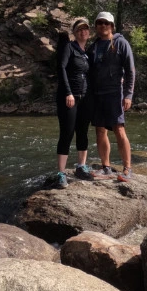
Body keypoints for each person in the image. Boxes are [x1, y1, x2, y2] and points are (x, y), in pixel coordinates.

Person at [87, 11, 135, 182]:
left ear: (112, 26)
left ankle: (127, 168)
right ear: (96, 26)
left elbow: (130, 71)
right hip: (97, 95)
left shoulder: (122, 43)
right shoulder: (93, 47)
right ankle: (106, 167)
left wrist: (128, 95)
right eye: (99, 23)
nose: (103, 26)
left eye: (106, 23)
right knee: (100, 131)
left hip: (115, 93)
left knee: (119, 129)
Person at [53, 18, 94, 188]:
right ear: (75, 32)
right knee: (67, 133)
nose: (83, 32)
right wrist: (68, 92)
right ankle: (61, 173)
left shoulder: (88, 52)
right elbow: (61, 69)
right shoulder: (68, 47)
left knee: (83, 132)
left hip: (85, 98)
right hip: (69, 97)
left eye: (85, 29)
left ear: (88, 32)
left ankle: (81, 167)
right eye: (79, 30)